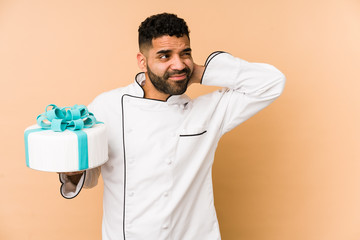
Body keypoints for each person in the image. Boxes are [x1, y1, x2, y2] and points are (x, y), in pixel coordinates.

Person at [59, 12, 285, 240]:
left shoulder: (210, 111)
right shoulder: (106, 106)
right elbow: (88, 177)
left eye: (184, 53)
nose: (178, 64)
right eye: (165, 56)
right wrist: (73, 170)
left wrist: (197, 72)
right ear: (142, 61)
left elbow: (271, 83)